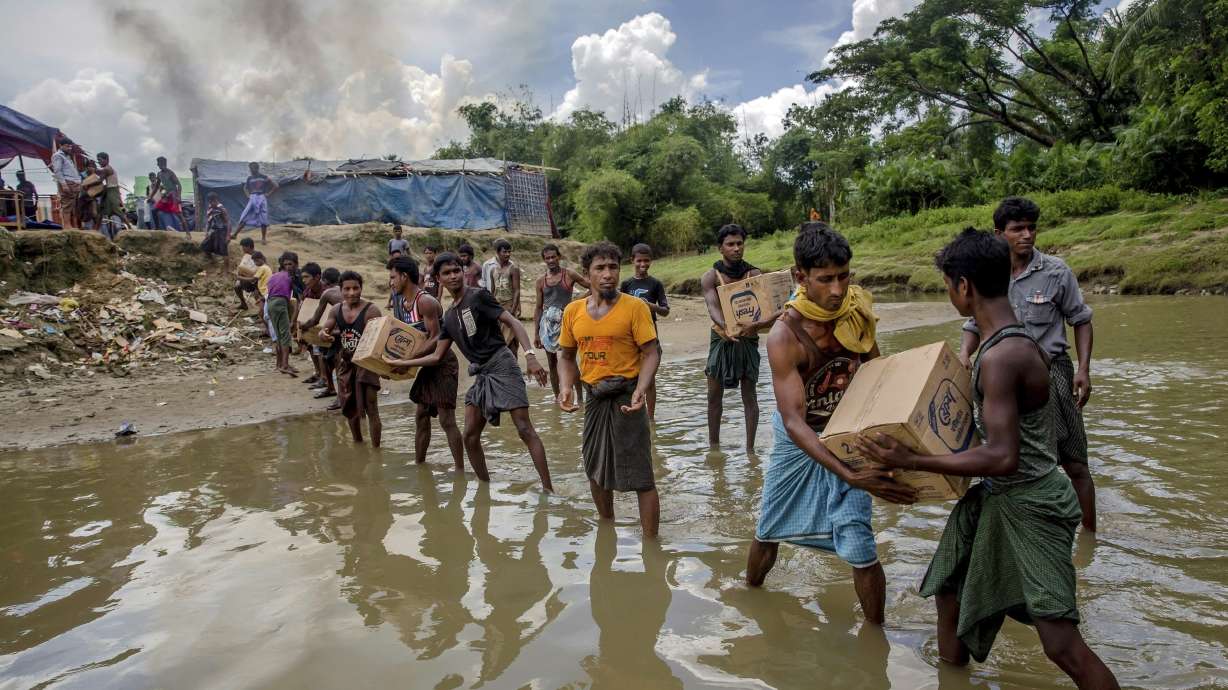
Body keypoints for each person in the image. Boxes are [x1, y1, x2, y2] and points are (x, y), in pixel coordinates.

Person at [857, 228, 1120, 688]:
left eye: (948, 286)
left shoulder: (1003, 356)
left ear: (964, 286)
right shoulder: (1005, 344)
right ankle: (953, 678)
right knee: (949, 589)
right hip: (999, 498)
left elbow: (1002, 456)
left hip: (1031, 504)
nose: (949, 295)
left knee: (1061, 644)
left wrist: (913, 460)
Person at [746, 223, 916, 625]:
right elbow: (793, 421)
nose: (837, 290)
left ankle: (876, 634)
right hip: (799, 437)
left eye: (844, 276)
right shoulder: (785, 336)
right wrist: (850, 475)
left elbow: (877, 375)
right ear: (800, 277)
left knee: (861, 541)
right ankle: (749, 596)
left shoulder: (856, 313)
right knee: (769, 527)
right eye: (825, 279)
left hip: (848, 432)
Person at [959, 197, 1098, 532]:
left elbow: (1081, 320)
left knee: (1074, 461)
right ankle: (1027, 526)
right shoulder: (990, 274)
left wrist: (1083, 369)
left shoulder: (1056, 271)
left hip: (1052, 373)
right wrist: (964, 355)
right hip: (1002, 378)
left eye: (1031, 228)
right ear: (999, 233)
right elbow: (974, 324)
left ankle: (1090, 537)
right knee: (1012, 458)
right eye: (1017, 229)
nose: (1027, 235)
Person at [387, 252, 554, 492]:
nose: (453, 276)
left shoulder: (478, 296)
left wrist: (530, 356)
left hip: (502, 365)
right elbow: (436, 356)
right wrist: (403, 363)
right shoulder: (449, 316)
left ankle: (548, 491)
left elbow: (514, 322)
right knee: (469, 436)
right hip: (482, 374)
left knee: (524, 429)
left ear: (463, 272)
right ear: (438, 279)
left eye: (457, 270)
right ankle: (484, 488)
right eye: (447, 273)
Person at [557, 241, 661, 536]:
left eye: (613, 267)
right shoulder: (573, 311)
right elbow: (566, 355)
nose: (607, 274)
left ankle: (651, 545)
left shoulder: (635, 307)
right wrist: (566, 387)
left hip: (628, 396)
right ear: (587, 273)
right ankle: (607, 528)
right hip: (594, 397)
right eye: (600, 268)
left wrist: (642, 389)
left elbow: (651, 352)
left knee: (641, 475)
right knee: (594, 467)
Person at [382, 256, 464, 471]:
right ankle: (420, 465)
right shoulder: (400, 302)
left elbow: (436, 337)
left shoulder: (425, 301)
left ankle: (460, 472)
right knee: (421, 415)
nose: (391, 282)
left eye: (393, 277)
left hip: (443, 363)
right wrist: (385, 365)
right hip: (424, 364)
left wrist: (407, 361)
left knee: (447, 420)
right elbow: (401, 338)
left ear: (404, 276)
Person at [701, 224, 775, 449]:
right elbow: (712, 307)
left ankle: (751, 450)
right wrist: (725, 326)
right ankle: (714, 447)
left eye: (739, 243)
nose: (736, 248)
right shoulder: (711, 277)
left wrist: (757, 325)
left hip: (749, 337)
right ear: (720, 248)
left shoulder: (754, 274)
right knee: (714, 396)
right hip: (721, 337)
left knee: (750, 395)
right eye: (730, 244)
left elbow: (767, 310)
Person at [319, 271, 383, 445]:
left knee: (371, 408)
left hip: (367, 364)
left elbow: (379, 339)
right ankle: (358, 443)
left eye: (356, 288)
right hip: (346, 363)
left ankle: (375, 450)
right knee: (349, 407)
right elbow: (325, 329)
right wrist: (324, 334)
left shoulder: (371, 310)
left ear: (361, 288)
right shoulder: (336, 310)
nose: (352, 292)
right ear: (341, 290)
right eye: (347, 289)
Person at [533, 243, 590, 401]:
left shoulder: (569, 274)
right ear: (544, 260)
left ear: (559, 257)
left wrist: (575, 303)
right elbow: (538, 307)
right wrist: (536, 333)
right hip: (547, 325)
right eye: (547, 258)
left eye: (553, 257)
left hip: (566, 321)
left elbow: (591, 287)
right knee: (552, 363)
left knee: (570, 359)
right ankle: (558, 398)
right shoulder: (541, 281)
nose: (551, 260)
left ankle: (580, 398)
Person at [620, 243, 670, 418]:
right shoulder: (626, 284)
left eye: (646, 261)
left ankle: (650, 418)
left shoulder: (655, 284)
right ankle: (632, 412)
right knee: (629, 377)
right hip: (629, 337)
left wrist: (649, 306)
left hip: (650, 335)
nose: (643, 264)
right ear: (632, 260)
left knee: (649, 380)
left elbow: (665, 311)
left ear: (651, 261)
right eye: (639, 261)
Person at [301, 267, 343, 403]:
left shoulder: (327, 293)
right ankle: (332, 389)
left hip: (340, 332)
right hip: (347, 330)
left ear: (324, 281)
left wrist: (303, 327)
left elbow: (315, 319)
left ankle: (341, 396)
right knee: (327, 359)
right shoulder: (345, 289)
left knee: (337, 362)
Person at [482, 239, 523, 357]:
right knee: (499, 339)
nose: (507, 254)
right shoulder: (493, 270)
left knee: (511, 340)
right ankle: (504, 364)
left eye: (509, 252)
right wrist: (490, 308)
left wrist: (513, 310)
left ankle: (513, 365)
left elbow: (517, 290)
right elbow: (492, 291)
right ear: (498, 252)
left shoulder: (513, 268)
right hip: (497, 307)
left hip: (509, 306)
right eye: (504, 252)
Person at [264, 253, 299, 377]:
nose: (288, 267)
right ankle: (285, 365)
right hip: (279, 303)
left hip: (270, 304)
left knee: (279, 335)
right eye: (286, 264)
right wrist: (293, 320)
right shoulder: (291, 277)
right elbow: (297, 299)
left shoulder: (274, 276)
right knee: (285, 335)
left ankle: (279, 364)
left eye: (290, 264)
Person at [232, 161, 278, 243]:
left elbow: (275, 185)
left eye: (252, 168)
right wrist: (248, 195)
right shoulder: (249, 178)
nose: (251, 170)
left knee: (263, 217)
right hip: (252, 198)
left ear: (257, 168)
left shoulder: (264, 177)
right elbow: (245, 188)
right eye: (250, 169)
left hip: (261, 198)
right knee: (245, 215)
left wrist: (268, 194)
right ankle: (235, 234)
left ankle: (263, 238)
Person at [95, 152, 127, 237]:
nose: (99, 162)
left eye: (100, 160)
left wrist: (87, 183)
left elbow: (99, 179)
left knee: (117, 211)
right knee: (102, 211)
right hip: (110, 190)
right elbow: (99, 172)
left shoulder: (107, 169)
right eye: (98, 160)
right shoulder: (107, 169)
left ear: (106, 160)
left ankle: (130, 227)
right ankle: (96, 230)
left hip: (112, 191)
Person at [50, 139, 80, 228]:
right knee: (66, 204)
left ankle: (71, 224)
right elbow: (57, 171)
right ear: (61, 145)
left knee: (72, 205)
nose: (69, 148)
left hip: (74, 183)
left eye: (70, 146)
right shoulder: (58, 156)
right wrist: (64, 184)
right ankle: (67, 225)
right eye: (67, 146)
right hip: (67, 182)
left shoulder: (67, 156)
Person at [152, 156, 185, 235]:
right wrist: (150, 196)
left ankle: (185, 231)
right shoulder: (159, 174)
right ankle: (157, 228)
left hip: (173, 195)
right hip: (167, 196)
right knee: (154, 210)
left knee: (178, 213)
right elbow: (156, 187)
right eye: (157, 163)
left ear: (163, 163)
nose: (157, 165)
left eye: (158, 163)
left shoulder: (170, 173)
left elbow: (179, 185)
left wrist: (179, 197)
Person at [201, 192, 231, 272]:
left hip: (222, 231)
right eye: (209, 202)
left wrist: (228, 235)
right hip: (215, 231)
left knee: (223, 250)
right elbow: (209, 222)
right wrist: (206, 232)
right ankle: (213, 261)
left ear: (216, 200)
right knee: (204, 246)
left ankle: (227, 270)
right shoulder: (210, 208)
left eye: (212, 202)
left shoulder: (221, 208)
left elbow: (228, 222)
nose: (211, 203)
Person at [233, 237, 259, 311]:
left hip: (256, 280)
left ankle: (262, 311)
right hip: (247, 279)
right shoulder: (246, 255)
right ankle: (243, 304)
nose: (242, 249)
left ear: (249, 246)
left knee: (257, 294)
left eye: (243, 247)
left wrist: (241, 275)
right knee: (237, 287)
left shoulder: (258, 256)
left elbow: (259, 271)